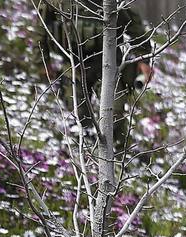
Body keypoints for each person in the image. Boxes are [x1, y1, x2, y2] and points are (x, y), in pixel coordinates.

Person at [38, 0, 155, 152]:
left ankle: (119, 155)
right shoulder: (56, 2)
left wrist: (144, 59)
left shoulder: (115, 2)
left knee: (114, 113)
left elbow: (135, 28)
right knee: (77, 115)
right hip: (73, 64)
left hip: (106, 63)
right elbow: (41, 29)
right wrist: (42, 62)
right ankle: (82, 155)